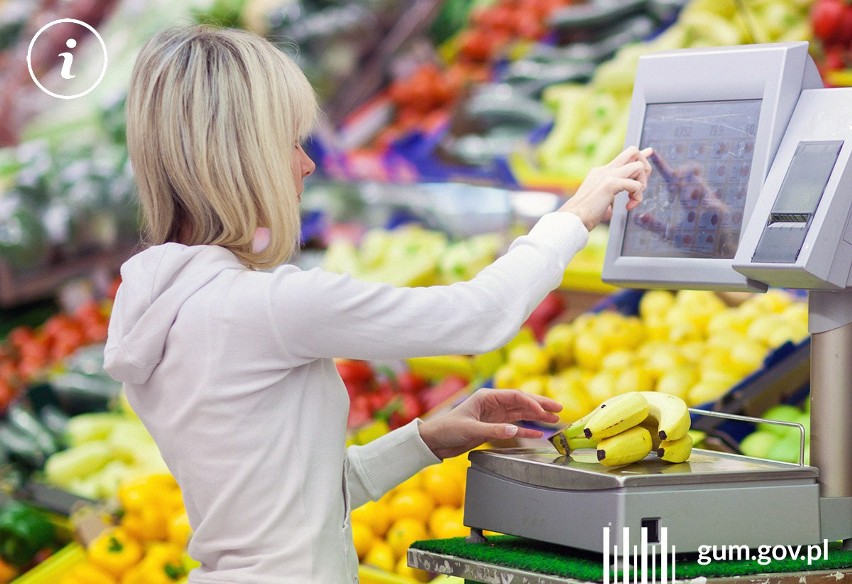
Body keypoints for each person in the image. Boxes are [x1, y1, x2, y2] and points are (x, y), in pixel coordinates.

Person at [104, 25, 652, 584]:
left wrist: (428, 438)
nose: (306, 163)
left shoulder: (156, 311)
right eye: (290, 142)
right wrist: (577, 214)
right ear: (241, 158)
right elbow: (478, 317)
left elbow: (297, 503)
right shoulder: (269, 306)